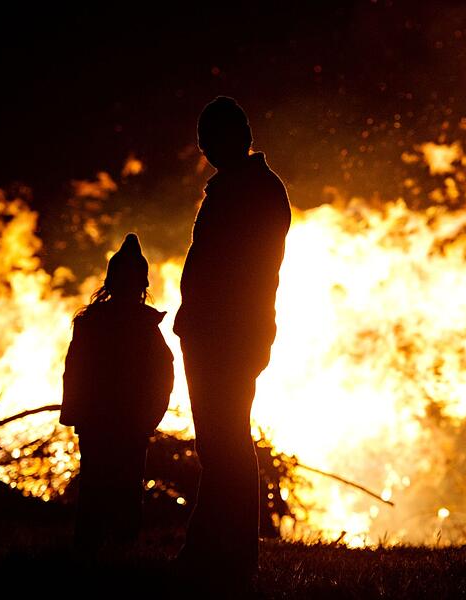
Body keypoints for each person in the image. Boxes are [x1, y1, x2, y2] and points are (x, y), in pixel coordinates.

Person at [173, 96, 291, 581]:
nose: (206, 148)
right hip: (218, 332)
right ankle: (216, 548)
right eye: (204, 139)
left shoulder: (251, 191)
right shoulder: (241, 188)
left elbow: (240, 268)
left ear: (239, 136)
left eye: (212, 137)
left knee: (225, 442)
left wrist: (210, 319)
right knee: (220, 442)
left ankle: (229, 553)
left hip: (228, 334)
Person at [61, 233, 174, 550]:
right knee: (126, 487)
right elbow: (164, 376)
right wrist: (151, 417)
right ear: (142, 287)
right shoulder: (144, 328)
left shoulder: (91, 324)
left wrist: (76, 414)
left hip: (98, 422)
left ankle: (90, 548)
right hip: (130, 423)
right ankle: (123, 549)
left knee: (95, 485)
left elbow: (74, 372)